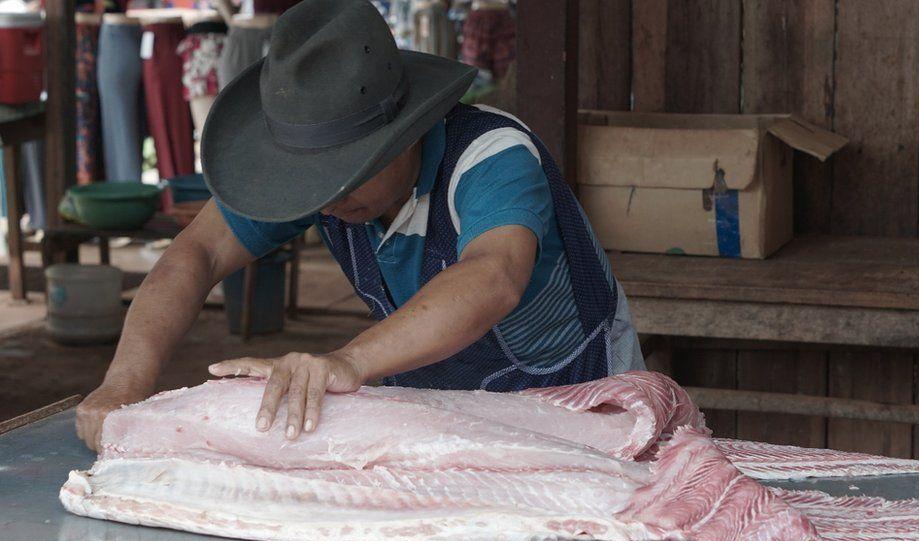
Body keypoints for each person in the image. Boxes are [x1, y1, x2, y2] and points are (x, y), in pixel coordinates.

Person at [75, 0, 643, 451]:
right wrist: (124, 383)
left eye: (347, 175)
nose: (327, 200)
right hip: (437, 404)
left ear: (407, 132)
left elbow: (492, 276)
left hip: (576, 398)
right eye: (314, 182)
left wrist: (348, 361)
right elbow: (195, 253)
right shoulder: (320, 184)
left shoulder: (492, 155)